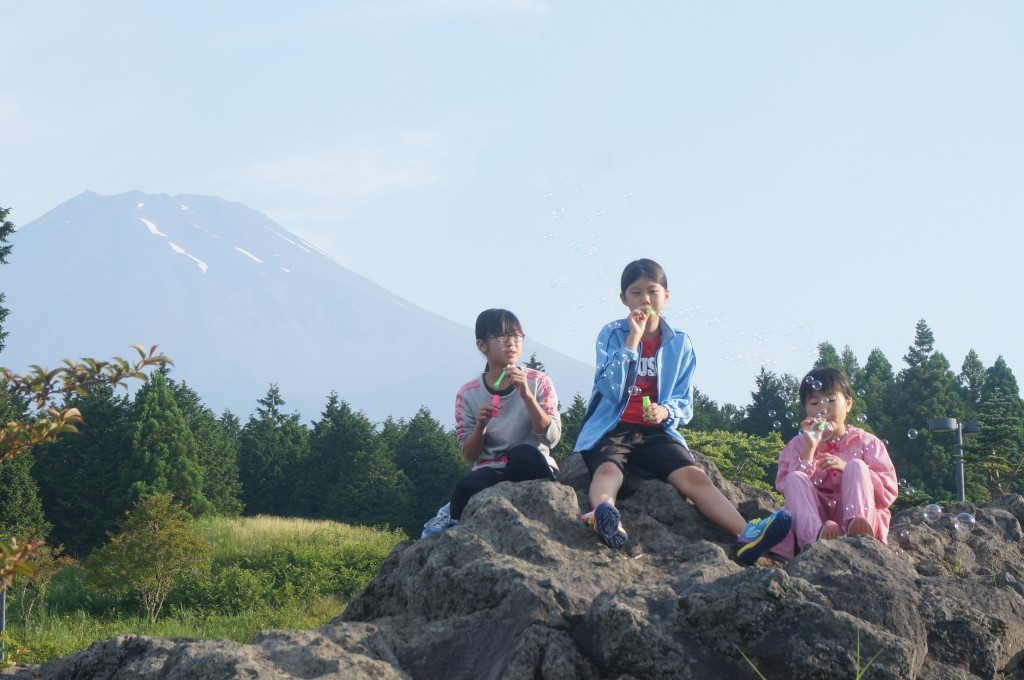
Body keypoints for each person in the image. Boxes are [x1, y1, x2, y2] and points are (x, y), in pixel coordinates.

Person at [574, 258, 790, 565]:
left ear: (666, 295)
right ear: (623, 299)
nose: (645, 299)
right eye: (635, 293)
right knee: (608, 470)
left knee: (695, 477)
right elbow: (609, 388)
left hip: (656, 431)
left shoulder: (680, 343)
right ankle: (604, 512)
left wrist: (664, 411)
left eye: (652, 291)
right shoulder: (612, 334)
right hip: (612, 426)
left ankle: (746, 535)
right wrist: (632, 340)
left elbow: (683, 402)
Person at [426, 309, 560, 535]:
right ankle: (454, 526)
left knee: (523, 455)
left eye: (517, 336)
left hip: (532, 464)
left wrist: (527, 396)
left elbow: (552, 438)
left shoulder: (538, 381)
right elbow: (470, 454)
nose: (511, 342)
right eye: (501, 336)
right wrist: (480, 426)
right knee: (467, 485)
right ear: (482, 345)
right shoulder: (468, 394)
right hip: (492, 468)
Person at [772, 367, 899, 559]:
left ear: (848, 404)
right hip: (819, 520)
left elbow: (888, 492)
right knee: (795, 477)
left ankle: (858, 527)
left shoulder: (867, 442)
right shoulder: (798, 445)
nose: (823, 409)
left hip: (860, 514)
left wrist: (846, 467)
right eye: (814, 402)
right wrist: (810, 449)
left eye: (831, 400)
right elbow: (786, 486)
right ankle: (814, 536)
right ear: (806, 409)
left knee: (856, 465)